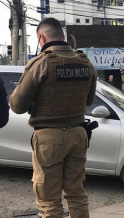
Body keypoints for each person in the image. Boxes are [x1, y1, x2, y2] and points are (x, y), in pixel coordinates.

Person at [9, 18, 97, 218]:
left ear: (42, 37)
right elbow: (89, 100)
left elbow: (16, 106)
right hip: (78, 134)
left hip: (49, 138)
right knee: (76, 193)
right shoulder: (85, 62)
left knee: (49, 199)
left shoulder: (40, 64)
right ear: (62, 36)